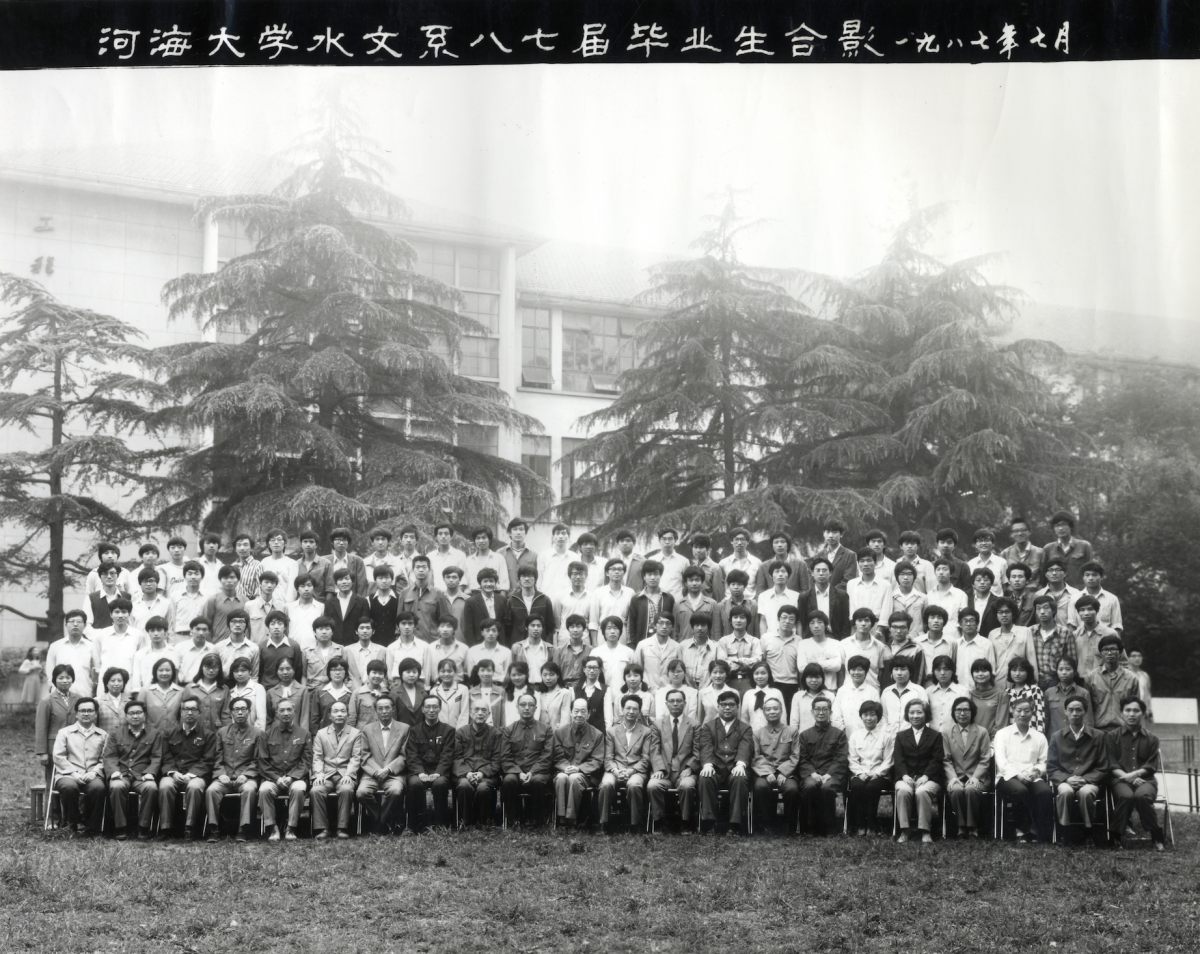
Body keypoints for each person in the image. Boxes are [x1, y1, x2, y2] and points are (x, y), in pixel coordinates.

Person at [1048, 697, 1110, 847]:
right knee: (1064, 792)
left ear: (1085, 712)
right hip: (1066, 780)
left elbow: (1103, 766)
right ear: (1065, 712)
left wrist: (1086, 779)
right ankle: (1064, 832)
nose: (1074, 713)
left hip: (1089, 781)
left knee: (1086, 793)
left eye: (1078, 710)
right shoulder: (1056, 737)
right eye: (1071, 710)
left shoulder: (1098, 736)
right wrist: (1067, 779)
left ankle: (1089, 831)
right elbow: (1051, 767)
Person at [1106, 697, 1165, 850]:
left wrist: (1134, 775)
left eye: (1136, 711)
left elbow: (1151, 765)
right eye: (1128, 710)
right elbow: (1112, 764)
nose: (1131, 714)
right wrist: (1130, 779)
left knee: (1142, 796)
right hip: (1120, 779)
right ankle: (1116, 836)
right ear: (1122, 713)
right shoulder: (1112, 736)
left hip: (1145, 780)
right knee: (1126, 796)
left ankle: (1156, 835)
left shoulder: (1152, 738)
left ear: (1143, 714)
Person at [158, 697, 218, 840]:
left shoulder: (208, 735)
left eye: (193, 709)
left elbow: (208, 760)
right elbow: (165, 756)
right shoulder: (168, 733)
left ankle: (189, 828)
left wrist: (191, 774)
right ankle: (166, 828)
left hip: (197, 775)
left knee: (194, 787)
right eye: (186, 709)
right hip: (174, 774)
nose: (189, 713)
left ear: (199, 713)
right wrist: (173, 772)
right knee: (165, 786)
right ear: (181, 712)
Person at [994, 697, 1053, 843]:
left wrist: (1036, 772)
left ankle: (1037, 832)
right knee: (1020, 790)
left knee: (1045, 791)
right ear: (1012, 711)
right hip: (1008, 776)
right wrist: (1018, 775)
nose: (1022, 714)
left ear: (1032, 713)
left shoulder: (1039, 737)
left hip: (1031, 776)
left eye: (1027, 711)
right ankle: (1021, 829)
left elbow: (1044, 761)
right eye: (1019, 710)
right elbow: (1001, 761)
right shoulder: (1002, 734)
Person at [204, 697, 261, 842]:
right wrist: (221, 774)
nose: (240, 712)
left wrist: (247, 775)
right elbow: (217, 757)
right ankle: (214, 829)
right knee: (212, 790)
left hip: (246, 777)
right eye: (236, 709)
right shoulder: (222, 732)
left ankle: (243, 829)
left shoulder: (257, 733)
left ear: (249, 712)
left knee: (249, 790)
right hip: (225, 777)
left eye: (243, 709)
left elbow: (258, 759)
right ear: (231, 713)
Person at [103, 698, 161, 840]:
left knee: (151, 788)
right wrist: (114, 771)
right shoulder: (116, 734)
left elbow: (156, 756)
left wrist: (150, 772)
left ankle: (143, 827)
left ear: (144, 715)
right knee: (116, 786)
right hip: (122, 774)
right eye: (131, 713)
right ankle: (120, 827)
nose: (135, 716)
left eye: (138, 713)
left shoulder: (155, 734)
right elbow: (109, 756)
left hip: (142, 776)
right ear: (126, 716)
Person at [697, 689, 753, 835]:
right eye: (723, 704)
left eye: (731, 705)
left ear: (737, 707)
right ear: (718, 707)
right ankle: (709, 824)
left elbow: (745, 747)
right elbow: (706, 747)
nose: (727, 708)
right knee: (705, 777)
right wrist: (707, 764)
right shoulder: (708, 726)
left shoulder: (745, 728)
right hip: (715, 768)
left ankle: (735, 825)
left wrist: (740, 764)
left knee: (740, 778)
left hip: (734, 768)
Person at [256, 696, 312, 842]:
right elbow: (262, 761)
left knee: (298, 789)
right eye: (282, 710)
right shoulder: (266, 734)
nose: (286, 713)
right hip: (273, 778)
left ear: (294, 711)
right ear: (276, 713)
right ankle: (272, 828)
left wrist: (292, 777)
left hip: (295, 778)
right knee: (264, 790)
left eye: (289, 709)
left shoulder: (304, 734)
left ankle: (291, 828)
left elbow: (306, 761)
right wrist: (277, 778)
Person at [599, 694, 657, 833]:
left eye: (635, 709)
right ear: (622, 710)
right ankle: (604, 822)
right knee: (606, 784)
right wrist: (615, 771)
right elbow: (608, 758)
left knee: (634, 785)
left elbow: (646, 758)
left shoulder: (646, 732)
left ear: (639, 712)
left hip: (636, 770)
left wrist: (631, 771)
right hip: (615, 769)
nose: (631, 712)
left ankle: (635, 824)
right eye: (628, 708)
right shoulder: (612, 731)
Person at [52, 697, 109, 836]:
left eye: (90, 710)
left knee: (98, 788)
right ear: (76, 714)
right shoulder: (64, 732)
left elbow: (105, 758)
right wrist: (73, 773)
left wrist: (94, 772)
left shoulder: (103, 735)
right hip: (67, 774)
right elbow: (58, 756)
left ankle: (92, 827)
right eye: (82, 711)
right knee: (69, 787)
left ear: (95, 714)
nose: (86, 713)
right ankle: (70, 825)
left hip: (92, 774)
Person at [310, 700, 366, 839]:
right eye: (335, 711)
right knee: (316, 790)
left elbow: (356, 757)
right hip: (326, 774)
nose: (339, 714)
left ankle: (342, 828)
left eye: (343, 711)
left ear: (347, 715)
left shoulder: (356, 733)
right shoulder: (321, 733)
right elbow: (317, 757)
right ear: (330, 715)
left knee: (346, 789)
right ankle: (323, 828)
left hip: (345, 773)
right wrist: (319, 774)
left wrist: (349, 774)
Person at [648, 688, 700, 830]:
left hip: (685, 771)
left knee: (687, 786)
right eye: (672, 701)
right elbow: (654, 749)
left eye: (679, 701)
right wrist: (659, 769)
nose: (675, 704)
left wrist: (690, 768)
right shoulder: (657, 725)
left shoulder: (694, 724)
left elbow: (698, 751)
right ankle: (659, 821)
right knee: (653, 786)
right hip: (664, 771)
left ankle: (686, 821)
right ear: (666, 704)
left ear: (685, 703)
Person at [796, 697, 849, 837]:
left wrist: (829, 774)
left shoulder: (839, 734)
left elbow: (841, 758)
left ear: (830, 712)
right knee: (810, 786)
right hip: (811, 774)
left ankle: (828, 827)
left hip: (832, 774)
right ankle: (810, 827)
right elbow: (803, 759)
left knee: (827, 788)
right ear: (812, 712)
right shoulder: (804, 735)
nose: (821, 712)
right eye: (817, 709)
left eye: (825, 709)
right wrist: (812, 773)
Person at [356, 693, 409, 833]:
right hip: (372, 773)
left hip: (394, 773)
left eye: (387, 708)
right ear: (376, 711)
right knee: (361, 792)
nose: (384, 711)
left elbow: (404, 755)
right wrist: (376, 771)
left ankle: (380, 823)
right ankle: (383, 818)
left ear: (393, 709)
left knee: (395, 791)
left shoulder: (404, 728)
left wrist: (388, 770)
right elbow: (364, 755)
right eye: (380, 708)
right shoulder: (367, 729)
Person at [500, 692, 554, 826]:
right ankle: (513, 819)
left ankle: (536, 819)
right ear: (517, 707)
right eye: (523, 705)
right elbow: (505, 757)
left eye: (530, 705)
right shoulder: (509, 730)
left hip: (539, 772)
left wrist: (532, 772)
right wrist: (519, 773)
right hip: (515, 771)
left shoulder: (546, 729)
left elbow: (547, 755)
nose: (526, 708)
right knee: (508, 781)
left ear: (535, 708)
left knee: (537, 781)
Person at [942, 696, 993, 838]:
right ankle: (960, 827)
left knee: (971, 789)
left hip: (977, 776)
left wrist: (976, 777)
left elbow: (985, 758)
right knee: (956, 790)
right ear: (953, 713)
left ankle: (972, 828)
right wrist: (952, 778)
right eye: (958, 710)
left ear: (972, 712)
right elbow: (946, 759)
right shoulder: (946, 733)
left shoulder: (981, 732)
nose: (962, 713)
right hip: (956, 776)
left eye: (966, 710)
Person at [402, 696, 454, 832]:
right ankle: (415, 825)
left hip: (440, 771)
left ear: (440, 709)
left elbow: (447, 755)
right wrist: (420, 772)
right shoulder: (414, 731)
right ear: (423, 710)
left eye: (435, 707)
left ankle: (441, 825)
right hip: (420, 771)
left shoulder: (448, 730)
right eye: (428, 707)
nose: (431, 710)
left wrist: (438, 772)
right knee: (414, 784)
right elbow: (412, 755)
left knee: (440, 784)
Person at [750, 697, 799, 834]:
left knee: (792, 789)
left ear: (781, 711)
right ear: (764, 713)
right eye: (768, 709)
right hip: (765, 772)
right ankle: (767, 824)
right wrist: (767, 772)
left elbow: (795, 755)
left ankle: (789, 825)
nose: (772, 712)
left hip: (787, 772)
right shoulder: (757, 734)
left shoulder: (792, 731)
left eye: (775, 708)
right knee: (760, 787)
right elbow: (756, 756)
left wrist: (784, 772)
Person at [453, 699, 503, 828]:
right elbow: (456, 757)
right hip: (465, 773)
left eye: (484, 710)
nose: (480, 713)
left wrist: (482, 773)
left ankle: (483, 822)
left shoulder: (496, 734)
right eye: (476, 710)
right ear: (470, 713)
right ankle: (465, 822)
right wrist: (467, 773)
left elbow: (497, 759)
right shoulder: (460, 732)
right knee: (464, 785)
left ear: (488, 714)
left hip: (488, 775)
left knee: (483, 788)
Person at [846, 700, 893, 836]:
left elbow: (888, 760)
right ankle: (860, 825)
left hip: (881, 776)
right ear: (861, 716)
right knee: (858, 787)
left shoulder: (886, 737)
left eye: (872, 714)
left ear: (878, 717)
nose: (869, 718)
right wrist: (860, 773)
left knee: (871, 787)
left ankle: (872, 826)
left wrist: (876, 774)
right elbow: (852, 759)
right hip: (859, 774)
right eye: (865, 714)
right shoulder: (855, 736)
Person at [1087, 635, 1141, 731]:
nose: (1109, 653)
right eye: (1105, 649)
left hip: (1123, 730)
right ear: (1101, 653)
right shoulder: (1091, 678)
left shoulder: (1132, 679)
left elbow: (1136, 708)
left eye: (1113, 649)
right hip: (1098, 731)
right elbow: (1087, 709)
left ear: (1120, 652)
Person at [46, 609, 98, 698]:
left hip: (84, 695)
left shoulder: (92, 646)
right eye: (71, 621)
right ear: (66, 625)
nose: (75, 624)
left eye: (79, 622)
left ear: (85, 625)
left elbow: (97, 671)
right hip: (60, 697)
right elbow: (50, 672)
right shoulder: (55, 646)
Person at [759, 604, 801, 713]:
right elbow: (762, 662)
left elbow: (799, 667)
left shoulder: (799, 641)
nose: (787, 621)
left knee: (788, 715)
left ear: (795, 622)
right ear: (778, 619)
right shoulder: (766, 638)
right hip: (771, 683)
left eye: (791, 619)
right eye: (784, 617)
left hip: (792, 685)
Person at [403, 555, 454, 644]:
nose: (421, 570)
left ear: (429, 570)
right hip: (410, 640)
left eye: (424, 567)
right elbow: (399, 619)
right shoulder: (404, 593)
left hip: (431, 641)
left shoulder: (438, 593)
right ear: (413, 570)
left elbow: (444, 620)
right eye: (417, 567)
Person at [989, 598, 1038, 689]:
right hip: (998, 682)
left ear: (1013, 613)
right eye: (1000, 612)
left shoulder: (1025, 632)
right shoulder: (992, 634)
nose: (1004, 615)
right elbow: (991, 661)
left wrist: (1034, 685)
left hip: (1019, 682)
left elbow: (1031, 659)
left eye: (1007, 612)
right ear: (996, 615)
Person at [506, 565, 556, 649]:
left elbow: (550, 626)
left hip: (540, 645)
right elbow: (508, 627)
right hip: (519, 645)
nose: (526, 579)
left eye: (529, 576)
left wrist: (547, 645)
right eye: (523, 576)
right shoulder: (512, 600)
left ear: (535, 579)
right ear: (519, 579)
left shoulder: (544, 599)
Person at [628, 559, 675, 647]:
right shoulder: (637, 599)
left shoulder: (668, 597)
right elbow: (632, 625)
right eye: (649, 574)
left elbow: (673, 623)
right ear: (644, 577)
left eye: (656, 574)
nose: (653, 578)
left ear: (660, 575)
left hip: (664, 644)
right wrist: (632, 645)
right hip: (642, 642)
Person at [831, 655, 880, 740]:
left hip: (868, 739)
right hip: (845, 737)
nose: (856, 672)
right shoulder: (842, 691)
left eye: (860, 669)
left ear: (866, 671)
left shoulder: (873, 692)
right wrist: (843, 735)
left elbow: (878, 717)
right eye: (853, 669)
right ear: (849, 671)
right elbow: (836, 716)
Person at [716, 604, 761, 695]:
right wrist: (746, 663)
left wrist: (736, 661)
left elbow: (757, 662)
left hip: (749, 681)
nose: (738, 620)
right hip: (728, 681)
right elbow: (722, 663)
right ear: (730, 620)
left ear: (748, 621)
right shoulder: (723, 641)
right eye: (735, 617)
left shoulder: (755, 641)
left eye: (742, 617)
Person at [840, 609, 887, 689]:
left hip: (873, 689)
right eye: (860, 620)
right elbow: (841, 670)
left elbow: (881, 672)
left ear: (872, 624)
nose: (863, 624)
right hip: (849, 690)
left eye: (867, 620)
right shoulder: (844, 644)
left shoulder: (880, 646)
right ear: (854, 623)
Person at [463, 567, 510, 647]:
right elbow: (468, 629)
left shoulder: (502, 600)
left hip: (500, 642)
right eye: (485, 581)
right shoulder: (471, 602)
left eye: (491, 581)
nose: (488, 584)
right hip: (479, 643)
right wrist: (473, 647)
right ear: (480, 583)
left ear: (495, 583)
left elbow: (506, 624)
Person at [674, 565, 720, 644]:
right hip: (684, 647)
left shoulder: (712, 604)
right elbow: (675, 631)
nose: (694, 583)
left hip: (706, 647)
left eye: (697, 580)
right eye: (691, 580)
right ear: (685, 583)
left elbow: (716, 632)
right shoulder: (678, 604)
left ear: (702, 582)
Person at [465, 617, 514, 688]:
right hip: (478, 687)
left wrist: (501, 689)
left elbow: (507, 675)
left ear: (498, 633)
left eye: (494, 630)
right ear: (482, 632)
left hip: (499, 687)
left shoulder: (506, 652)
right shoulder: (472, 651)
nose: (491, 633)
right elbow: (470, 673)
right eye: (487, 630)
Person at [881, 656, 929, 728]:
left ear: (910, 672)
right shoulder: (887, 692)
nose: (899, 673)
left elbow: (925, 716)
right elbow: (884, 717)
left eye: (903, 669)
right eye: (896, 669)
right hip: (890, 733)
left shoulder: (919, 691)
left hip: (911, 734)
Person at [554, 562, 593, 648]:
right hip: (564, 640)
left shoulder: (592, 597)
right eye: (575, 574)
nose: (578, 577)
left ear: (586, 576)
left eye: (581, 574)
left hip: (584, 641)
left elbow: (592, 623)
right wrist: (555, 645)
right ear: (569, 576)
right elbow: (556, 625)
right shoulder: (560, 596)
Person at [499, 518, 539, 603]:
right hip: (506, 599)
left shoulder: (535, 554)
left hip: (528, 599)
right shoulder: (500, 553)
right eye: (515, 529)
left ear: (525, 532)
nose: (518, 532)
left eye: (521, 529)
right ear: (509, 533)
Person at [713, 569, 760, 641]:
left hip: (749, 645)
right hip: (726, 646)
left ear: (745, 586)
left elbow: (756, 632)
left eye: (739, 584)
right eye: (733, 584)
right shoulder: (720, 606)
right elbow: (717, 633)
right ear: (728, 586)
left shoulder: (754, 605)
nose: (736, 587)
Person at [846, 548, 890, 624]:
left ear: (875, 563)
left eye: (869, 560)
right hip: (856, 624)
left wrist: (880, 628)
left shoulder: (885, 585)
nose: (865, 564)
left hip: (877, 624)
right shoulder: (851, 584)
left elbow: (886, 610)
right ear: (858, 563)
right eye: (862, 561)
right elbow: (851, 608)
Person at [954, 609, 995, 689]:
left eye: (972, 621)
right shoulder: (956, 644)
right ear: (960, 624)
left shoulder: (986, 644)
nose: (968, 624)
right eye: (965, 621)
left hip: (980, 691)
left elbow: (991, 670)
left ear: (977, 623)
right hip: (959, 690)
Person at [463, 526, 510, 596]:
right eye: (478, 538)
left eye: (484, 538)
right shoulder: (468, 561)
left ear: (489, 540)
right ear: (474, 541)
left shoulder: (499, 558)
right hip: (474, 596)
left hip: (494, 595)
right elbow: (464, 583)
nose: (481, 541)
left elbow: (504, 584)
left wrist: (501, 600)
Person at [810, 520, 856, 591]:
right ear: (823, 534)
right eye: (828, 532)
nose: (831, 536)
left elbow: (848, 580)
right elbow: (813, 579)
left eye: (834, 532)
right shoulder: (818, 556)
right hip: (820, 595)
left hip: (840, 595)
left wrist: (830, 592)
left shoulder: (850, 555)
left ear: (841, 534)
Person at [324, 527, 369, 598]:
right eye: (338, 540)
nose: (341, 543)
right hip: (330, 599)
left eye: (344, 540)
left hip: (351, 599)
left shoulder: (358, 561)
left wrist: (359, 602)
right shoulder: (324, 561)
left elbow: (361, 585)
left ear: (348, 542)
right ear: (332, 542)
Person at [1004, 657, 1045, 734]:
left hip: (1031, 733)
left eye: (1022, 670)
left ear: (1028, 672)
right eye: (1014, 670)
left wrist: (1039, 735)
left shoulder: (1035, 690)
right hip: (1012, 735)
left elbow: (1040, 715)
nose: (1017, 674)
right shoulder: (1007, 693)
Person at [790, 663, 835, 733]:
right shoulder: (798, 696)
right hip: (803, 737)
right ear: (804, 678)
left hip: (825, 737)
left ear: (822, 678)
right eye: (810, 677)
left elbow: (834, 720)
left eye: (817, 677)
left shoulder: (829, 696)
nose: (814, 680)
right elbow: (794, 722)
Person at [740, 661, 784, 731]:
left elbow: (783, 716)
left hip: (773, 734)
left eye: (763, 673)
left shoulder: (776, 693)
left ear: (769, 675)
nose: (760, 676)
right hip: (752, 733)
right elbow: (744, 717)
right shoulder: (748, 694)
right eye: (756, 673)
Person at [967, 659, 1007, 737]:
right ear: (972, 675)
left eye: (984, 671)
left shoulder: (1001, 694)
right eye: (976, 671)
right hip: (972, 738)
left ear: (991, 673)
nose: (980, 674)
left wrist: (991, 739)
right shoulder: (970, 695)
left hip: (993, 739)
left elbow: (1001, 722)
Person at [536, 523, 575, 602]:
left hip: (568, 599)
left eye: (563, 533)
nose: (560, 536)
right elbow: (539, 580)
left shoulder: (574, 557)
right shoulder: (543, 555)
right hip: (547, 598)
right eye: (557, 533)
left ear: (568, 537)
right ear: (553, 537)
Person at [1000, 516, 1044, 585]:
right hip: (1012, 591)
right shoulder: (1005, 553)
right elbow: (1003, 580)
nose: (1020, 533)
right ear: (1012, 534)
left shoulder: (1040, 553)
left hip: (1034, 591)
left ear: (1029, 532)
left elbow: (1044, 577)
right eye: (1016, 531)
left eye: (1023, 530)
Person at [143, 659, 183, 730]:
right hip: (151, 734)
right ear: (155, 672)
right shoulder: (145, 691)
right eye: (161, 670)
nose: (164, 673)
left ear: (173, 672)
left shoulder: (181, 691)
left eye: (167, 670)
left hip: (174, 733)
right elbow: (140, 715)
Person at [555, 614, 593, 689]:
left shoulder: (590, 650)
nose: (575, 630)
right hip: (564, 687)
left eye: (578, 627)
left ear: (583, 629)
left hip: (584, 687)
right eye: (572, 627)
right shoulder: (559, 650)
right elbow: (555, 672)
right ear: (568, 629)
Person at [967, 529, 1008, 598]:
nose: (983, 543)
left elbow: (1005, 585)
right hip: (976, 602)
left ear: (993, 544)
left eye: (987, 540)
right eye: (980, 541)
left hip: (997, 602)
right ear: (975, 545)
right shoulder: (970, 564)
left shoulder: (1002, 562)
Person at [689, 532, 728, 602]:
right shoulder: (692, 567)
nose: (698, 550)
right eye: (695, 547)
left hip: (709, 606)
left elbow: (719, 595)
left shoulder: (715, 568)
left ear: (707, 549)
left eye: (701, 547)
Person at [926, 655, 961, 733]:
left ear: (952, 670)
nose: (942, 673)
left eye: (946, 669)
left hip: (954, 735)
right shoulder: (928, 692)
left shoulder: (962, 692)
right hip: (932, 736)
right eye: (938, 669)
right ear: (933, 671)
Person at [572, 657, 608, 734]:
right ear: (584, 669)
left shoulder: (606, 689)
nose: (591, 671)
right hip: (579, 732)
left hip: (599, 732)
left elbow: (608, 717)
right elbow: (572, 714)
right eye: (589, 667)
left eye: (595, 668)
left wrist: (607, 734)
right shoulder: (575, 689)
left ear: (599, 670)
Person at [537, 661, 573, 729]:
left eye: (551, 674)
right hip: (541, 732)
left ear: (558, 675)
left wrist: (561, 733)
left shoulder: (565, 693)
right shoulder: (539, 694)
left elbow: (566, 718)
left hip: (557, 732)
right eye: (545, 675)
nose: (548, 678)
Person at [95, 667, 130, 737]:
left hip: (124, 741)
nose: (116, 684)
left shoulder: (129, 703)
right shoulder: (97, 701)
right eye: (113, 680)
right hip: (104, 741)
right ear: (106, 683)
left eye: (119, 681)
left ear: (124, 683)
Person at [1127, 649, 1153, 722]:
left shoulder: (1144, 675)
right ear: (1128, 658)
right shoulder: (1124, 675)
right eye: (1134, 656)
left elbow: (1147, 695)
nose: (1137, 658)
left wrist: (1149, 711)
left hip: (1141, 711)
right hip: (1128, 710)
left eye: (1139, 656)